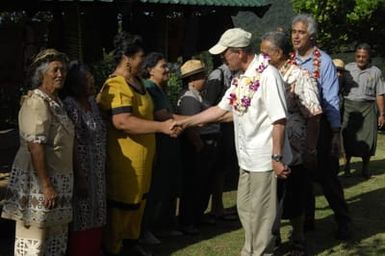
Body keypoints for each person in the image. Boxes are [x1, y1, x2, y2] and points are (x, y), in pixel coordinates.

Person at [177, 28, 292, 256]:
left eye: (225, 54)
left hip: (265, 158)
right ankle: (250, 249)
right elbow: (221, 110)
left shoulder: (268, 75)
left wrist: (277, 157)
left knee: (261, 214)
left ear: (239, 53)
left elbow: (279, 119)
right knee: (245, 208)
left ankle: (260, 251)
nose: (222, 58)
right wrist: (187, 122)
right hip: (247, 158)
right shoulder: (241, 79)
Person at [97, 32, 180, 256]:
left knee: (138, 205)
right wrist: (161, 127)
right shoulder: (115, 86)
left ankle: (131, 245)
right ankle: (113, 248)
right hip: (125, 165)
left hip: (144, 162)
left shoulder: (138, 83)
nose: (143, 61)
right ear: (127, 58)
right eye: (140, 57)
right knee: (123, 208)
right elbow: (122, 121)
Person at [1, 49, 74, 255]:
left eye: (63, 70)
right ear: (42, 73)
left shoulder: (56, 102)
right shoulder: (36, 102)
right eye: (55, 70)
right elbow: (35, 145)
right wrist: (46, 186)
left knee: (54, 238)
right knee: (35, 239)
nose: (61, 74)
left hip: (59, 178)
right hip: (38, 181)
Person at [260, 31, 322, 255]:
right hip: (269, 143)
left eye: (265, 53)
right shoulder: (263, 74)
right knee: (272, 195)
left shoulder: (299, 75)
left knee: (294, 192)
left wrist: (310, 148)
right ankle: (272, 235)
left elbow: (314, 114)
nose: (261, 57)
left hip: (294, 145)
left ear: (278, 53)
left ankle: (298, 235)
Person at [290, 13, 351, 240]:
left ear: (312, 36)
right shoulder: (291, 60)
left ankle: (343, 220)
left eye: (301, 32)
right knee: (302, 176)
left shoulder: (323, 61)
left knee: (327, 178)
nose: (296, 36)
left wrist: (335, 133)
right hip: (297, 126)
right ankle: (307, 219)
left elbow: (332, 100)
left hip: (322, 125)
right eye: (294, 31)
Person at [61, 61, 107, 255]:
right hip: (82, 170)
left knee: (98, 212)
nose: (91, 83)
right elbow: (71, 144)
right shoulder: (70, 106)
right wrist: (80, 177)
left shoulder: (93, 104)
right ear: (75, 84)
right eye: (86, 80)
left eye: (91, 79)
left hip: (98, 169)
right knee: (82, 214)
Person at [141, 52, 183, 243]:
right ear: (150, 70)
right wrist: (192, 121)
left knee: (166, 186)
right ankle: (148, 228)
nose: (167, 70)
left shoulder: (160, 88)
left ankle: (163, 225)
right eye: (163, 66)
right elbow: (162, 115)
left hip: (168, 145)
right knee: (156, 188)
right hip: (158, 144)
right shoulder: (150, 87)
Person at [177, 59, 221, 235]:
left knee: (204, 183)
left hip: (207, 142)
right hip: (199, 144)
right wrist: (199, 145)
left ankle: (197, 215)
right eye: (202, 76)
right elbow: (191, 125)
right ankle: (188, 220)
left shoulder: (198, 96)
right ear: (192, 79)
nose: (205, 79)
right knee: (194, 183)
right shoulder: (189, 98)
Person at [342, 43, 385, 178]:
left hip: (368, 108)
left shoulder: (376, 72)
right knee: (347, 138)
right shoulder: (347, 69)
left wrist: (382, 114)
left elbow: (380, 94)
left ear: (369, 57)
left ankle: (365, 168)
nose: (360, 59)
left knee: (368, 139)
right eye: (358, 56)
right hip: (349, 107)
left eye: (364, 57)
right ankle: (347, 166)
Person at [202, 60, 238, 220]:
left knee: (224, 166)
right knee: (219, 167)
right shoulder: (218, 75)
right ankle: (216, 206)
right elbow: (209, 104)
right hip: (219, 126)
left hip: (230, 126)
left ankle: (219, 206)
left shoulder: (236, 74)